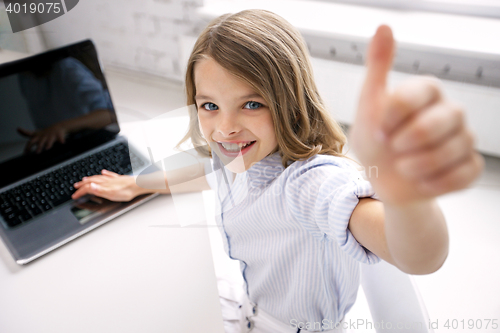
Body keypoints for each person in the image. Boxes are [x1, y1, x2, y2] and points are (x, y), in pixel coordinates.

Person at [71, 10, 483, 332]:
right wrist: (136, 184)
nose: (225, 128)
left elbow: (418, 257)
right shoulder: (238, 150)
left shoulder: (309, 181)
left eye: (252, 104)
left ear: (290, 99)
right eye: (209, 105)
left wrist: (406, 196)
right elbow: (205, 167)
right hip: (253, 304)